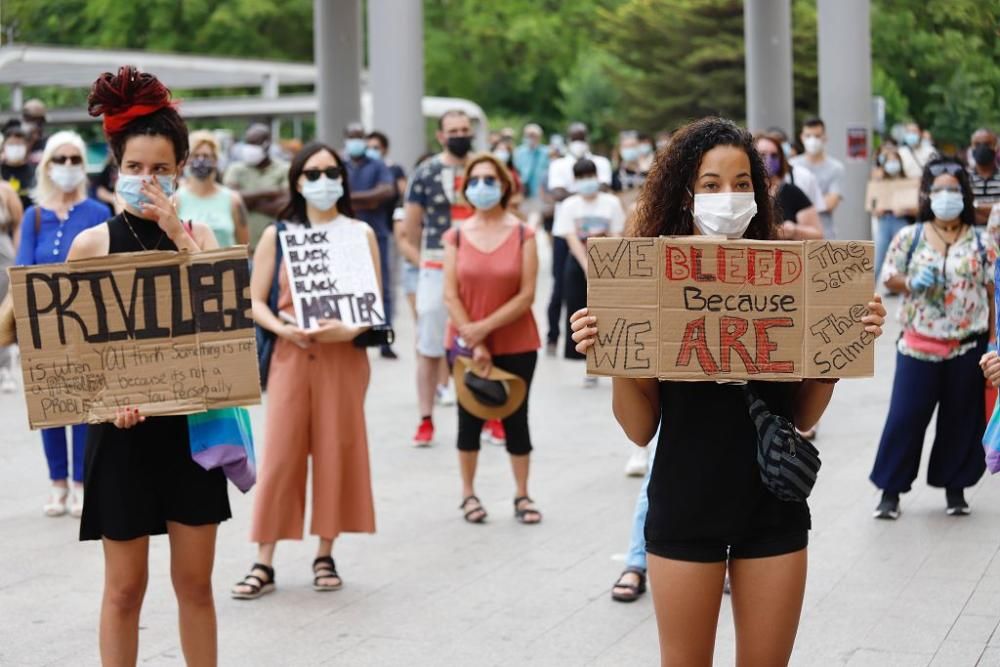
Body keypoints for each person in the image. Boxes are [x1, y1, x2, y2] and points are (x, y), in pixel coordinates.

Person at [569, 116, 887, 666]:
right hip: (684, 503)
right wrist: (617, 351)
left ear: (759, 192)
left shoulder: (792, 274)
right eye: (711, 185)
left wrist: (839, 350)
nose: (729, 197)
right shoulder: (649, 278)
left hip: (772, 503)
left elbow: (804, 413)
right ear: (685, 193)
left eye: (742, 183)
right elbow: (640, 428)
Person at [69, 65, 227, 666]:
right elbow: (72, 354)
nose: (147, 179)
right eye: (134, 168)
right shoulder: (93, 246)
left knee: (195, 586)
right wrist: (107, 404)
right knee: (124, 589)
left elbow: (221, 317)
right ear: (115, 170)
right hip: (121, 432)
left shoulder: (201, 237)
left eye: (161, 169)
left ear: (180, 170)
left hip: (193, 429)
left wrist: (174, 232)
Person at [232, 141, 377, 600]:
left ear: (342, 177)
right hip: (292, 354)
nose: (322, 181)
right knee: (280, 456)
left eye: (330, 172)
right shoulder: (279, 234)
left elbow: (373, 310)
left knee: (337, 451)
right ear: (296, 181)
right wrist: (283, 328)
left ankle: (325, 552)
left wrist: (347, 331)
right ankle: (264, 559)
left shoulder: (360, 234)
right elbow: (253, 301)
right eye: (311, 174)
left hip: (343, 358)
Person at [870, 157, 995, 520]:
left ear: (964, 194)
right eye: (938, 190)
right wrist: (911, 281)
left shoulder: (982, 241)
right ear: (927, 194)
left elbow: (992, 293)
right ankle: (889, 492)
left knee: (961, 419)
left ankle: (955, 491)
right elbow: (889, 277)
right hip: (917, 346)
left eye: (953, 190)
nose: (945, 197)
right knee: (905, 418)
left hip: (967, 346)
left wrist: (993, 342)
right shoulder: (909, 237)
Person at [442, 153, 543, 525]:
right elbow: (450, 294)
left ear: (503, 185)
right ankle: (468, 494)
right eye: (475, 180)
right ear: (466, 188)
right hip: (467, 345)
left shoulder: (522, 234)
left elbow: (527, 294)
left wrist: (483, 329)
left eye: (489, 179)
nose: (482, 186)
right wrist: (475, 339)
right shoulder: (455, 235)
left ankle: (522, 493)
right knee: (469, 417)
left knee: (517, 417)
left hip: (517, 341)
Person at [16, 130, 108, 518]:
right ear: (47, 165)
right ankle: (57, 483)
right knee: (52, 406)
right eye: (60, 159)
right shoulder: (34, 215)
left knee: (86, 407)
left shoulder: (98, 213)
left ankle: (82, 483)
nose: (68, 167)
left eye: (75, 160)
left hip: (85, 325)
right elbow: (21, 270)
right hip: (43, 327)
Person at [401, 110, 476, 447]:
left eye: (465, 129)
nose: (460, 134)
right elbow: (410, 229)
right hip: (435, 266)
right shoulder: (426, 172)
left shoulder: (485, 168)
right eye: (453, 130)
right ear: (441, 135)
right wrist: (424, 263)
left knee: (480, 343)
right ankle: (425, 419)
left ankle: (489, 418)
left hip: (479, 267)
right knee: (429, 345)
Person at [545, 122, 612, 357]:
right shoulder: (558, 164)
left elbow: (603, 186)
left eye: (581, 136)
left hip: (597, 235)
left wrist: (575, 193)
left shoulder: (601, 162)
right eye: (574, 136)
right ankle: (554, 335)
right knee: (561, 286)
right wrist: (581, 195)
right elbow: (557, 193)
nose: (578, 140)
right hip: (567, 232)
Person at [555, 157, 625, 382]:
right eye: (582, 177)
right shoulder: (569, 205)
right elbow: (570, 238)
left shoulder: (610, 202)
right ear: (575, 181)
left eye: (590, 176)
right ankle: (588, 361)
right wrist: (586, 264)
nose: (588, 181)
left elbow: (616, 233)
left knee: (606, 312)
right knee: (580, 311)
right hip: (578, 263)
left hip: (608, 263)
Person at [343, 123, 398, 358]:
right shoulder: (340, 166)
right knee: (349, 286)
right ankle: (353, 333)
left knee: (381, 287)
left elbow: (385, 192)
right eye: (352, 136)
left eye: (359, 136)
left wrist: (349, 199)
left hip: (376, 233)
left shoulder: (377, 165)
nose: (356, 140)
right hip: (346, 235)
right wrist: (366, 199)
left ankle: (383, 337)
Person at [223, 123, 289, 251]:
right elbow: (230, 200)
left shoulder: (284, 169)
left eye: (254, 143)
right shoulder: (236, 169)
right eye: (248, 143)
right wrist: (270, 192)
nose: (249, 148)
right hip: (244, 250)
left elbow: (284, 207)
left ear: (267, 144)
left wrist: (247, 203)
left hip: (276, 248)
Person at [176, 130, 248, 247]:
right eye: (195, 156)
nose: (201, 160)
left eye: (206, 156)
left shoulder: (233, 200)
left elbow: (244, 246)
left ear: (215, 159)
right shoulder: (176, 200)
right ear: (187, 160)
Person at [755, 132, 823, 240]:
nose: (768, 159)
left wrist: (794, 231)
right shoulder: (744, 191)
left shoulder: (792, 192)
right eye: (762, 155)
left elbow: (817, 234)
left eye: (774, 155)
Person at [791, 117, 844, 238]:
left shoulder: (836, 168)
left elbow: (831, 203)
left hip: (825, 235)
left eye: (817, 136)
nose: (812, 140)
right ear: (802, 137)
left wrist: (800, 203)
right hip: (796, 235)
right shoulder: (792, 165)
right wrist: (820, 200)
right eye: (808, 136)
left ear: (825, 137)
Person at [871, 142, 918, 279]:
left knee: (902, 257)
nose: (892, 164)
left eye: (895, 160)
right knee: (878, 258)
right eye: (889, 161)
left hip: (901, 221)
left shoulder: (909, 183)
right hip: (884, 221)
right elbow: (872, 206)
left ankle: (900, 286)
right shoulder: (879, 182)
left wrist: (905, 211)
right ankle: (867, 291)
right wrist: (877, 210)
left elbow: (917, 208)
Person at [0, 178, 23, 394]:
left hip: (2, 255)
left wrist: (19, 259)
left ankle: (5, 369)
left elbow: (18, 225)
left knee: (3, 314)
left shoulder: (5, 190)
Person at [968, 128, 999, 226]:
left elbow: (968, 208)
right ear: (971, 147)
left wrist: (975, 207)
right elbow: (962, 209)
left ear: (996, 147)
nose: (982, 148)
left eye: (987, 144)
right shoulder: (963, 177)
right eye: (977, 144)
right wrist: (996, 209)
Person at [2, 123, 36, 211]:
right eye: (11, 144)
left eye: (19, 144)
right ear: (4, 146)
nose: (15, 148)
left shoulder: (35, 172)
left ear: (26, 147)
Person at [513, 123, 549, 206]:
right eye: (529, 135)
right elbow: (516, 171)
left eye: (534, 136)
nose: (531, 138)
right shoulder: (519, 152)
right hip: (523, 192)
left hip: (541, 193)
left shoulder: (545, 152)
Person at [22, 98, 49, 165]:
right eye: (30, 119)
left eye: (38, 120)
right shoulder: (16, 140)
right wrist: (30, 141)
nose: (34, 124)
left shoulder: (48, 142)